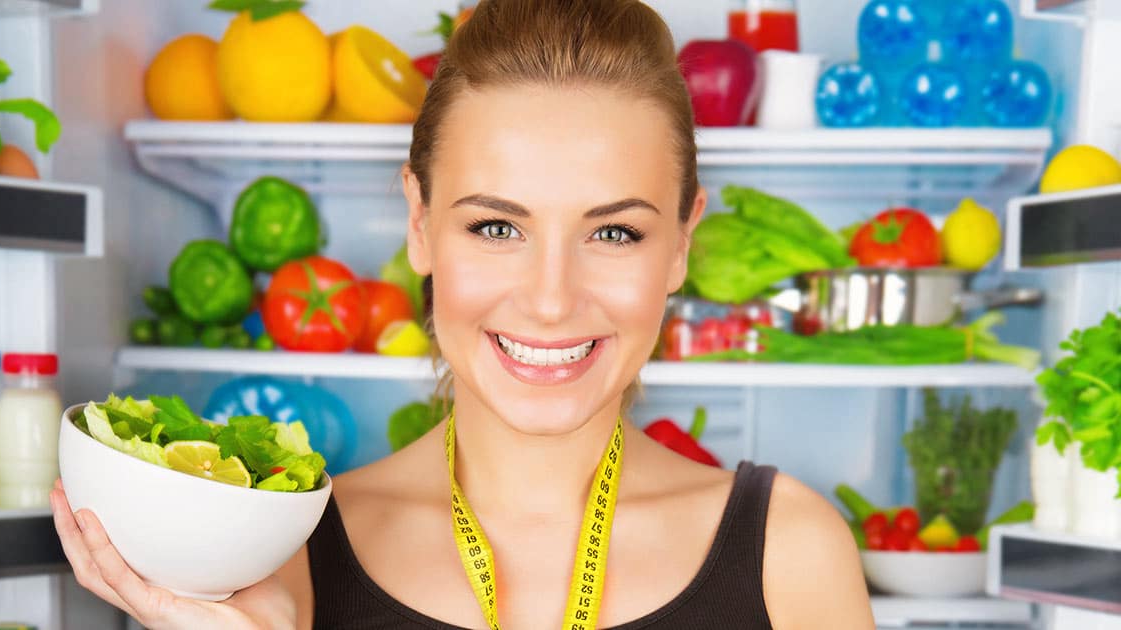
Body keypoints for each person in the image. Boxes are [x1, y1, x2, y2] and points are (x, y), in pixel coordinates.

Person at [50, 0, 874, 628]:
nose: (551, 299)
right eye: (496, 227)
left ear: (683, 244)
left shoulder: (789, 553)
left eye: (615, 231)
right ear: (418, 223)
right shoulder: (284, 556)